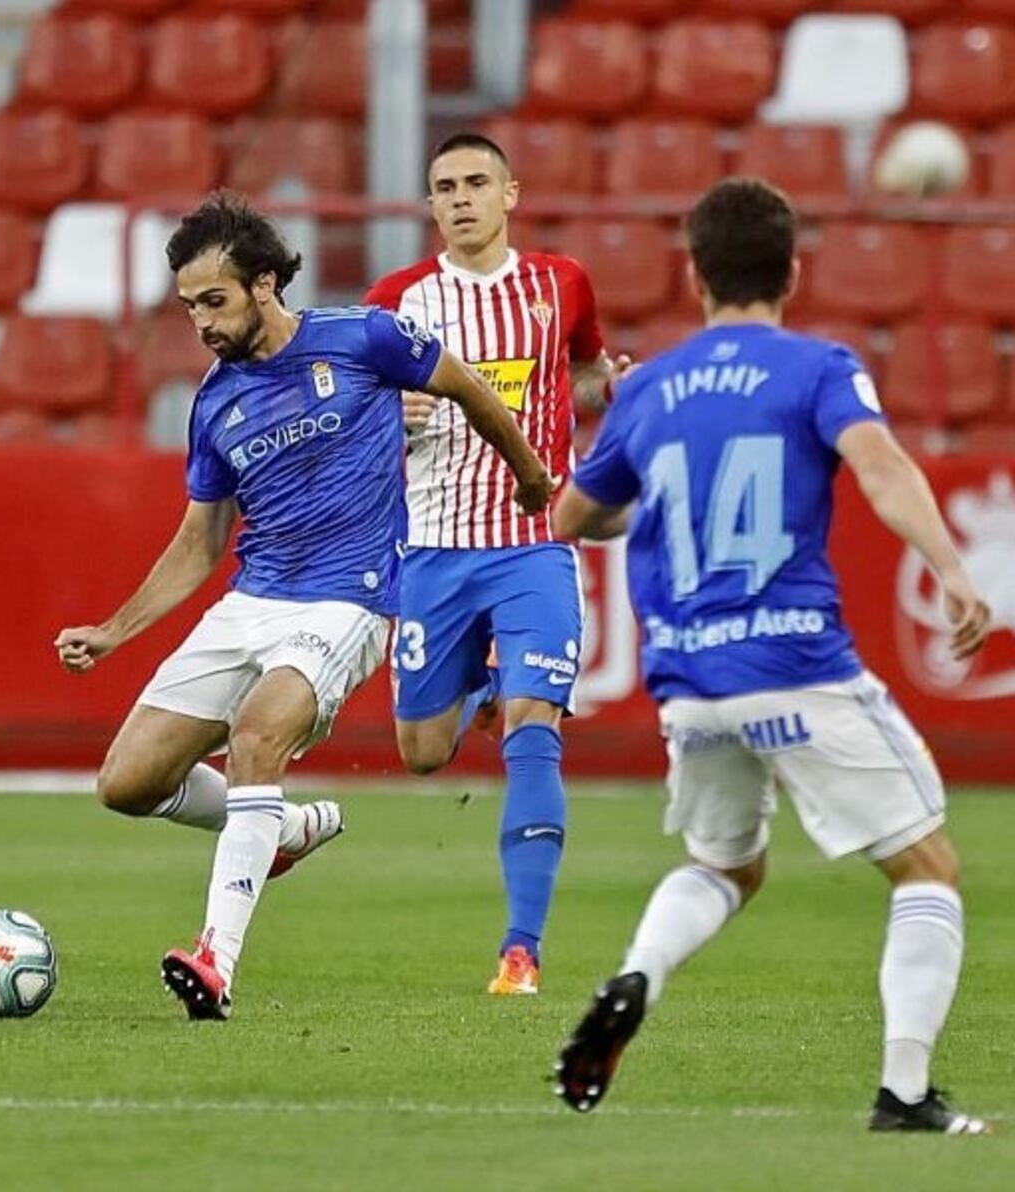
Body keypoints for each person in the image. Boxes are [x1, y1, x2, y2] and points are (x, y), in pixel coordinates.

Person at [551, 178, 992, 1134]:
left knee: (725, 866)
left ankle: (638, 973)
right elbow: (877, 462)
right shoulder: (818, 367)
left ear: (694, 273)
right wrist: (951, 570)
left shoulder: (653, 387)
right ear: (792, 271)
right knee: (928, 868)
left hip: (691, 684)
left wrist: (637, 480)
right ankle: (905, 1096)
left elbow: (577, 517)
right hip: (796, 663)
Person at [54, 193, 551, 1021]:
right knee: (127, 783)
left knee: (256, 737)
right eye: (188, 308)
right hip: (252, 600)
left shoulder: (363, 339)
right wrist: (113, 631)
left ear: (264, 285)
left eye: (214, 301)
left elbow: (465, 386)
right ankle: (278, 833)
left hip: (348, 602)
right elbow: (200, 543)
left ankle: (216, 960)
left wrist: (529, 473)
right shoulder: (216, 402)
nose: (201, 323)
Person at [363, 132, 618, 996]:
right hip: (433, 548)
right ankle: (472, 691)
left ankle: (522, 950)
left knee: (534, 728)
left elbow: (580, 375)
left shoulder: (561, 285)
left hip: (534, 544)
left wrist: (600, 386)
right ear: (430, 205)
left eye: (478, 182)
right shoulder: (396, 302)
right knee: (423, 752)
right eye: (445, 187)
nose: (463, 197)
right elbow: (363, 417)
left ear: (511, 192)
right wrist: (388, 416)